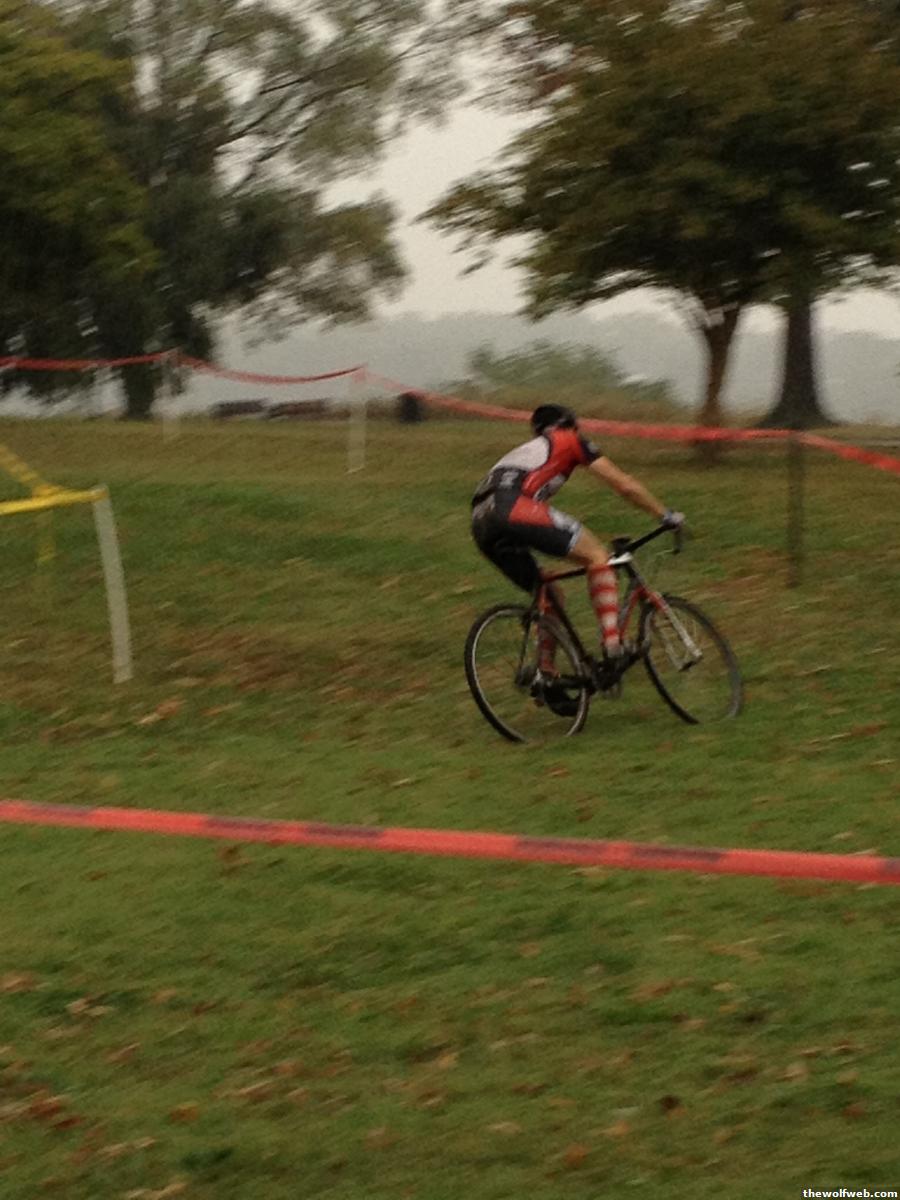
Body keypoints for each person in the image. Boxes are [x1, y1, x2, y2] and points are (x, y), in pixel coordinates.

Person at [470, 403, 684, 683]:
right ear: (570, 425)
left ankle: (546, 674)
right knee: (596, 555)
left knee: (549, 593)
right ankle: (612, 644)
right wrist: (665, 515)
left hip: (480, 520)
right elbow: (624, 485)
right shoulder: (569, 439)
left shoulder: (529, 450)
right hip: (512, 507)